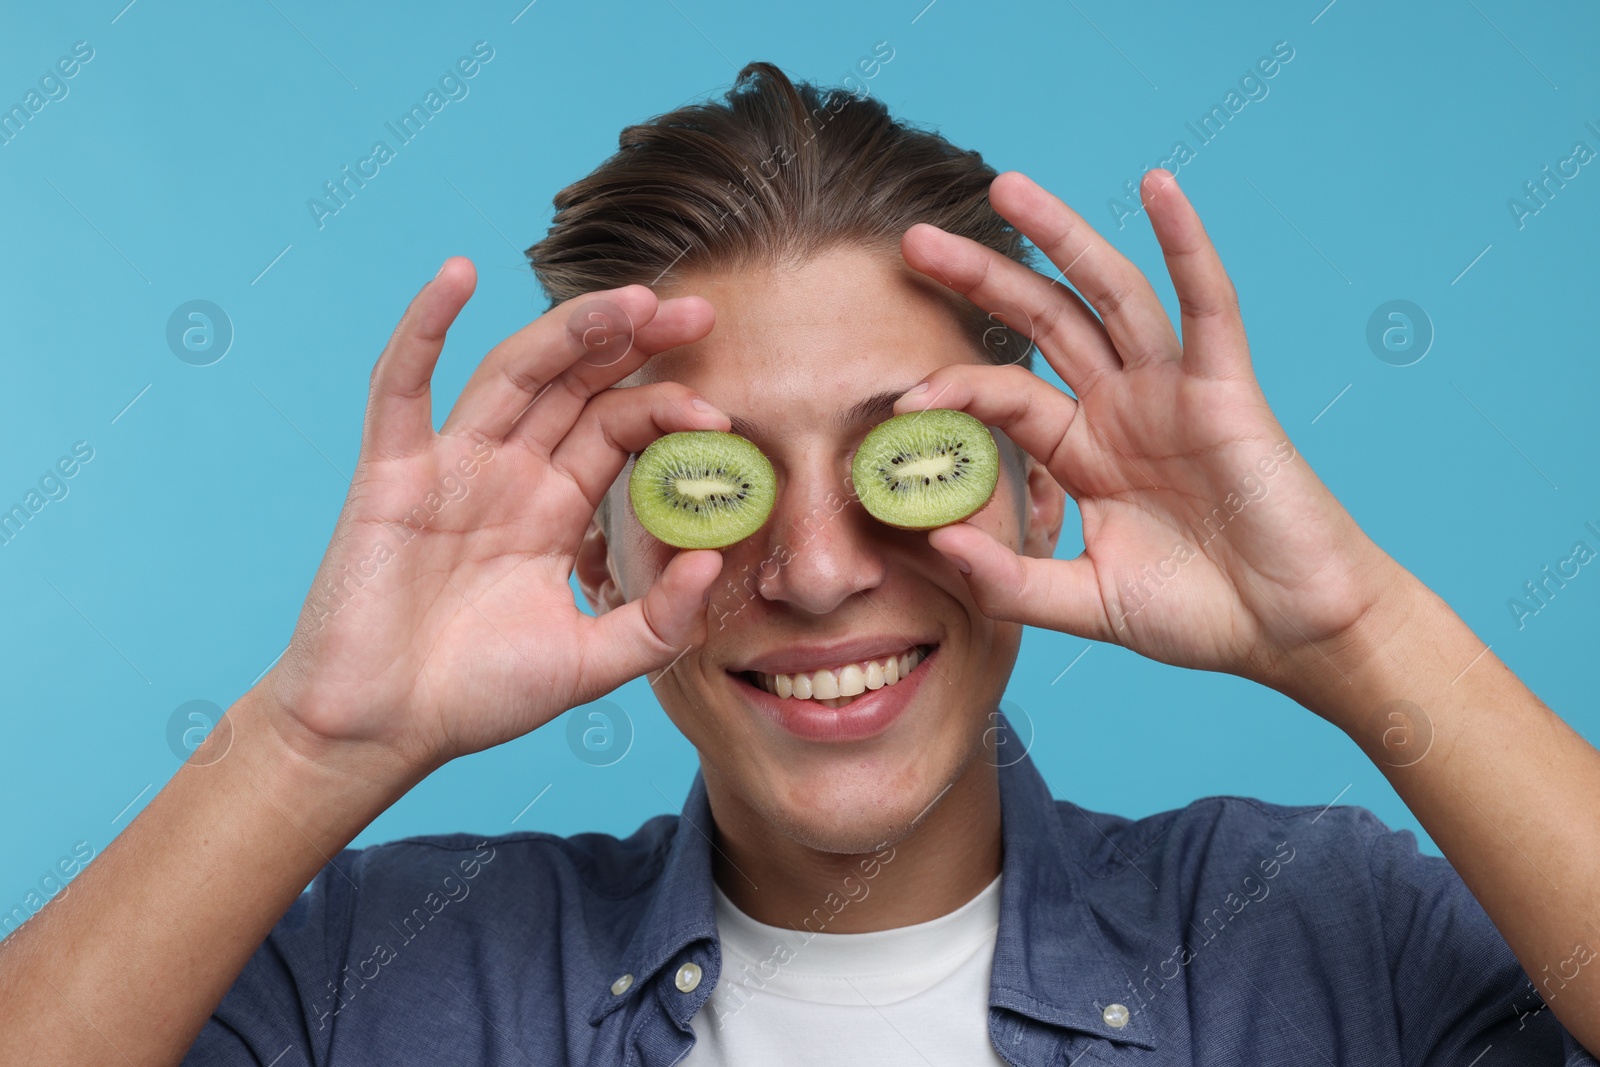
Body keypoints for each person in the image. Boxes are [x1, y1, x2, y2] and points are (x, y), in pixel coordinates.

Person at [1, 61, 1595, 1066]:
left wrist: (1357, 627)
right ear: (597, 543)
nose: (821, 568)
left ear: (1041, 492)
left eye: (905, 461)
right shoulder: (380, 983)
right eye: (716, 481)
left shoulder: (1314, 936)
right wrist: (309, 742)